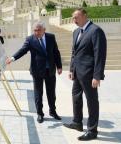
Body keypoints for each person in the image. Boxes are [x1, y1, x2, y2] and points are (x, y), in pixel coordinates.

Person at [63, 8, 107, 141]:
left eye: (76, 17)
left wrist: (97, 75)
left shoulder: (95, 31)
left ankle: (92, 130)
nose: (74, 20)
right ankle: (77, 123)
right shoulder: (76, 31)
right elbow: (74, 52)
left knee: (92, 101)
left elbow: (100, 54)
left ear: (85, 16)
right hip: (77, 72)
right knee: (76, 97)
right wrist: (71, 69)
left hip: (89, 74)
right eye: (73, 18)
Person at [6, 21, 62, 123]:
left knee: (51, 93)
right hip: (37, 71)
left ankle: (53, 111)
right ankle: (40, 113)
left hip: (50, 70)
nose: (36, 32)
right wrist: (13, 58)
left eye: (38, 30)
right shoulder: (30, 39)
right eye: (34, 30)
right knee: (38, 93)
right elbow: (23, 50)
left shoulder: (51, 37)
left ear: (44, 30)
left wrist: (59, 66)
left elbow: (56, 52)